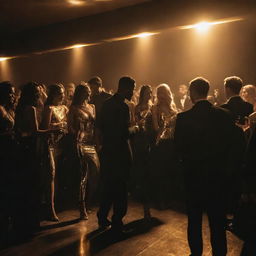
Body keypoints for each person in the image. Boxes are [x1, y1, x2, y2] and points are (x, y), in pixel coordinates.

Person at [174, 77, 241, 256]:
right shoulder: (225, 115)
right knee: (218, 222)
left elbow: (178, 150)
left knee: (194, 221)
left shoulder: (183, 118)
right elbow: (233, 147)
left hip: (193, 178)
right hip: (217, 179)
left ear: (192, 92)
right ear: (207, 91)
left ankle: (196, 253)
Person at [97, 76, 137, 234]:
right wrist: (137, 128)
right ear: (126, 88)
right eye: (132, 89)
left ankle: (102, 216)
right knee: (121, 189)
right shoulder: (123, 107)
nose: (133, 92)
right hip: (120, 154)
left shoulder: (106, 104)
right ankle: (117, 221)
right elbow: (124, 132)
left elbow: (101, 127)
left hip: (108, 152)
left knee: (108, 187)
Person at [67, 84, 99, 220]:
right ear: (79, 94)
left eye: (88, 92)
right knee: (83, 176)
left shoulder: (92, 107)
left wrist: (98, 141)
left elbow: (95, 126)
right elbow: (69, 128)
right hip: (79, 143)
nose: (87, 94)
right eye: (85, 92)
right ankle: (82, 207)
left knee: (96, 173)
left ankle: (89, 201)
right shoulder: (73, 109)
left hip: (91, 143)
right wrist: (76, 132)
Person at [41, 83, 68, 221]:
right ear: (53, 95)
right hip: (50, 144)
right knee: (50, 176)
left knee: (59, 176)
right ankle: (50, 209)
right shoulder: (48, 108)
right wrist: (57, 126)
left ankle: (58, 204)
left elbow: (70, 123)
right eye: (60, 94)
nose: (62, 96)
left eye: (63, 93)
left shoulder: (64, 108)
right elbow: (44, 128)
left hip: (61, 144)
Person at [151, 83, 177, 209]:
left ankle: (169, 198)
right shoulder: (155, 108)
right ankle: (160, 199)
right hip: (161, 142)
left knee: (170, 171)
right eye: (159, 93)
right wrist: (165, 124)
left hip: (172, 142)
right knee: (160, 171)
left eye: (163, 93)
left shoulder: (173, 108)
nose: (160, 95)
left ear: (167, 94)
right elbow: (155, 127)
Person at [132, 85, 154, 220]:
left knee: (149, 171)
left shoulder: (153, 107)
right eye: (147, 92)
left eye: (151, 92)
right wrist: (140, 123)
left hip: (150, 139)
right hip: (140, 140)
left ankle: (147, 203)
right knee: (142, 170)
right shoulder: (137, 107)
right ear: (142, 94)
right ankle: (142, 201)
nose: (150, 94)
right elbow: (135, 124)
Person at [0, 81, 16, 247]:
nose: (12, 95)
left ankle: (7, 224)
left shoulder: (8, 109)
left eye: (13, 93)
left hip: (10, 152)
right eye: (10, 93)